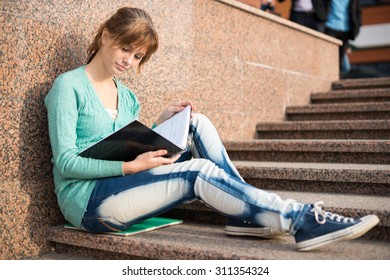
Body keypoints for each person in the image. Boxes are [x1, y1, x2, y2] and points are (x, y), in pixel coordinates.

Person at [45, 6, 379, 252]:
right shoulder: (69, 86)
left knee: (195, 122)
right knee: (198, 173)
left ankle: (245, 216)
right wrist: (130, 166)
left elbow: (124, 142)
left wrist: (159, 123)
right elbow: (66, 162)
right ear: (106, 36)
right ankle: (299, 220)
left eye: (137, 56)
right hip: (88, 203)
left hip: (124, 182)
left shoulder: (127, 96)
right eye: (124, 48)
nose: (128, 60)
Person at [324, 0, 362, 76]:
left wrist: (357, 27)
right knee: (329, 58)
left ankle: (333, 79)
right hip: (330, 27)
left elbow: (358, 12)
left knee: (340, 64)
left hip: (345, 30)